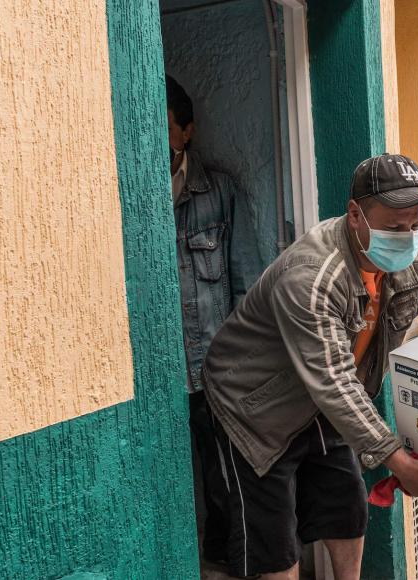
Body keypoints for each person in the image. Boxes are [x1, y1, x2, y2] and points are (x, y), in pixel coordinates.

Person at [200, 153, 418, 579]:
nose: (406, 237)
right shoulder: (311, 276)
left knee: (347, 509)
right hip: (255, 410)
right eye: (394, 226)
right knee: (274, 546)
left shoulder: (409, 265)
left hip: (323, 399)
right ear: (355, 215)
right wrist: (401, 464)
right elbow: (333, 380)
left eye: (415, 225)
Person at [167, 75, 253, 563]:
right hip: (157, 379)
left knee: (225, 484)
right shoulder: (126, 194)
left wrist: (241, 372)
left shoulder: (220, 193)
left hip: (212, 374)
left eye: (165, 129)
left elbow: (246, 288)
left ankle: (228, 566)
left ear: (187, 132)